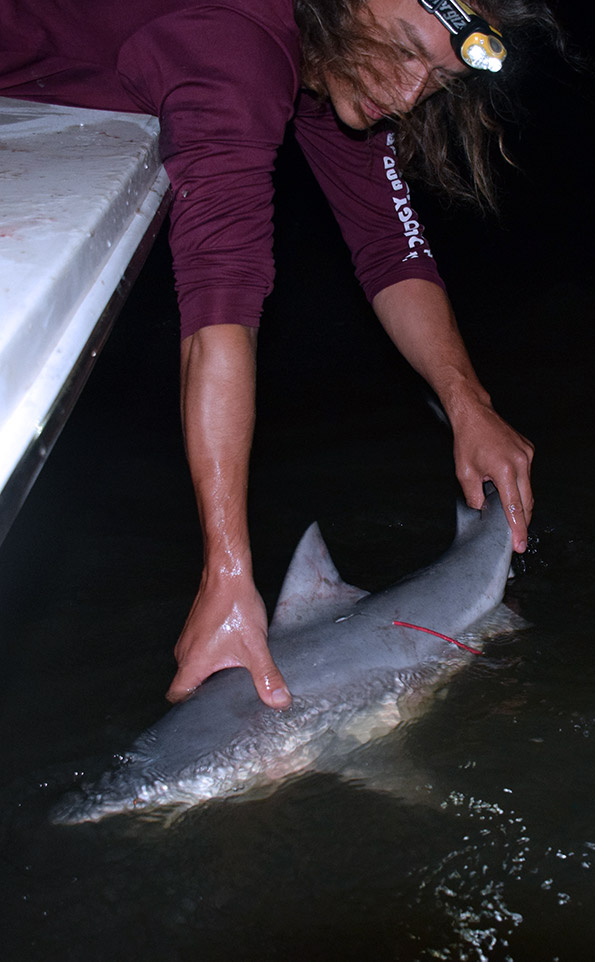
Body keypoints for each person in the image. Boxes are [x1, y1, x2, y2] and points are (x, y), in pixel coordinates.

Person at [1, 0, 541, 711]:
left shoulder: (337, 48)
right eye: (407, 50)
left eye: (437, 80)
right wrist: (226, 571)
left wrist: (471, 406)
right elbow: (218, 313)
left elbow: (388, 244)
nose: (409, 96)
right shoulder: (235, 47)